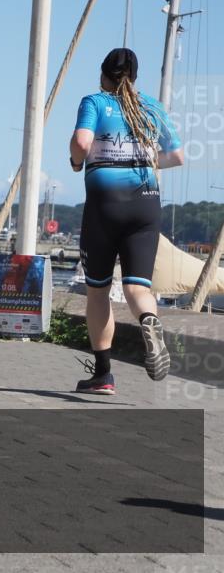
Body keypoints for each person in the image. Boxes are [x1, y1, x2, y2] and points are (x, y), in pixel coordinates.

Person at [69, 47, 183, 395]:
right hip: (146, 206)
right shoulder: (151, 107)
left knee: (98, 291)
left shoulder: (95, 102)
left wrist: (76, 163)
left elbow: (81, 142)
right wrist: (147, 162)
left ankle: (103, 374)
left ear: (104, 75)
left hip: (105, 207)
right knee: (137, 288)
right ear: (134, 77)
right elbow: (177, 155)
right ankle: (149, 321)